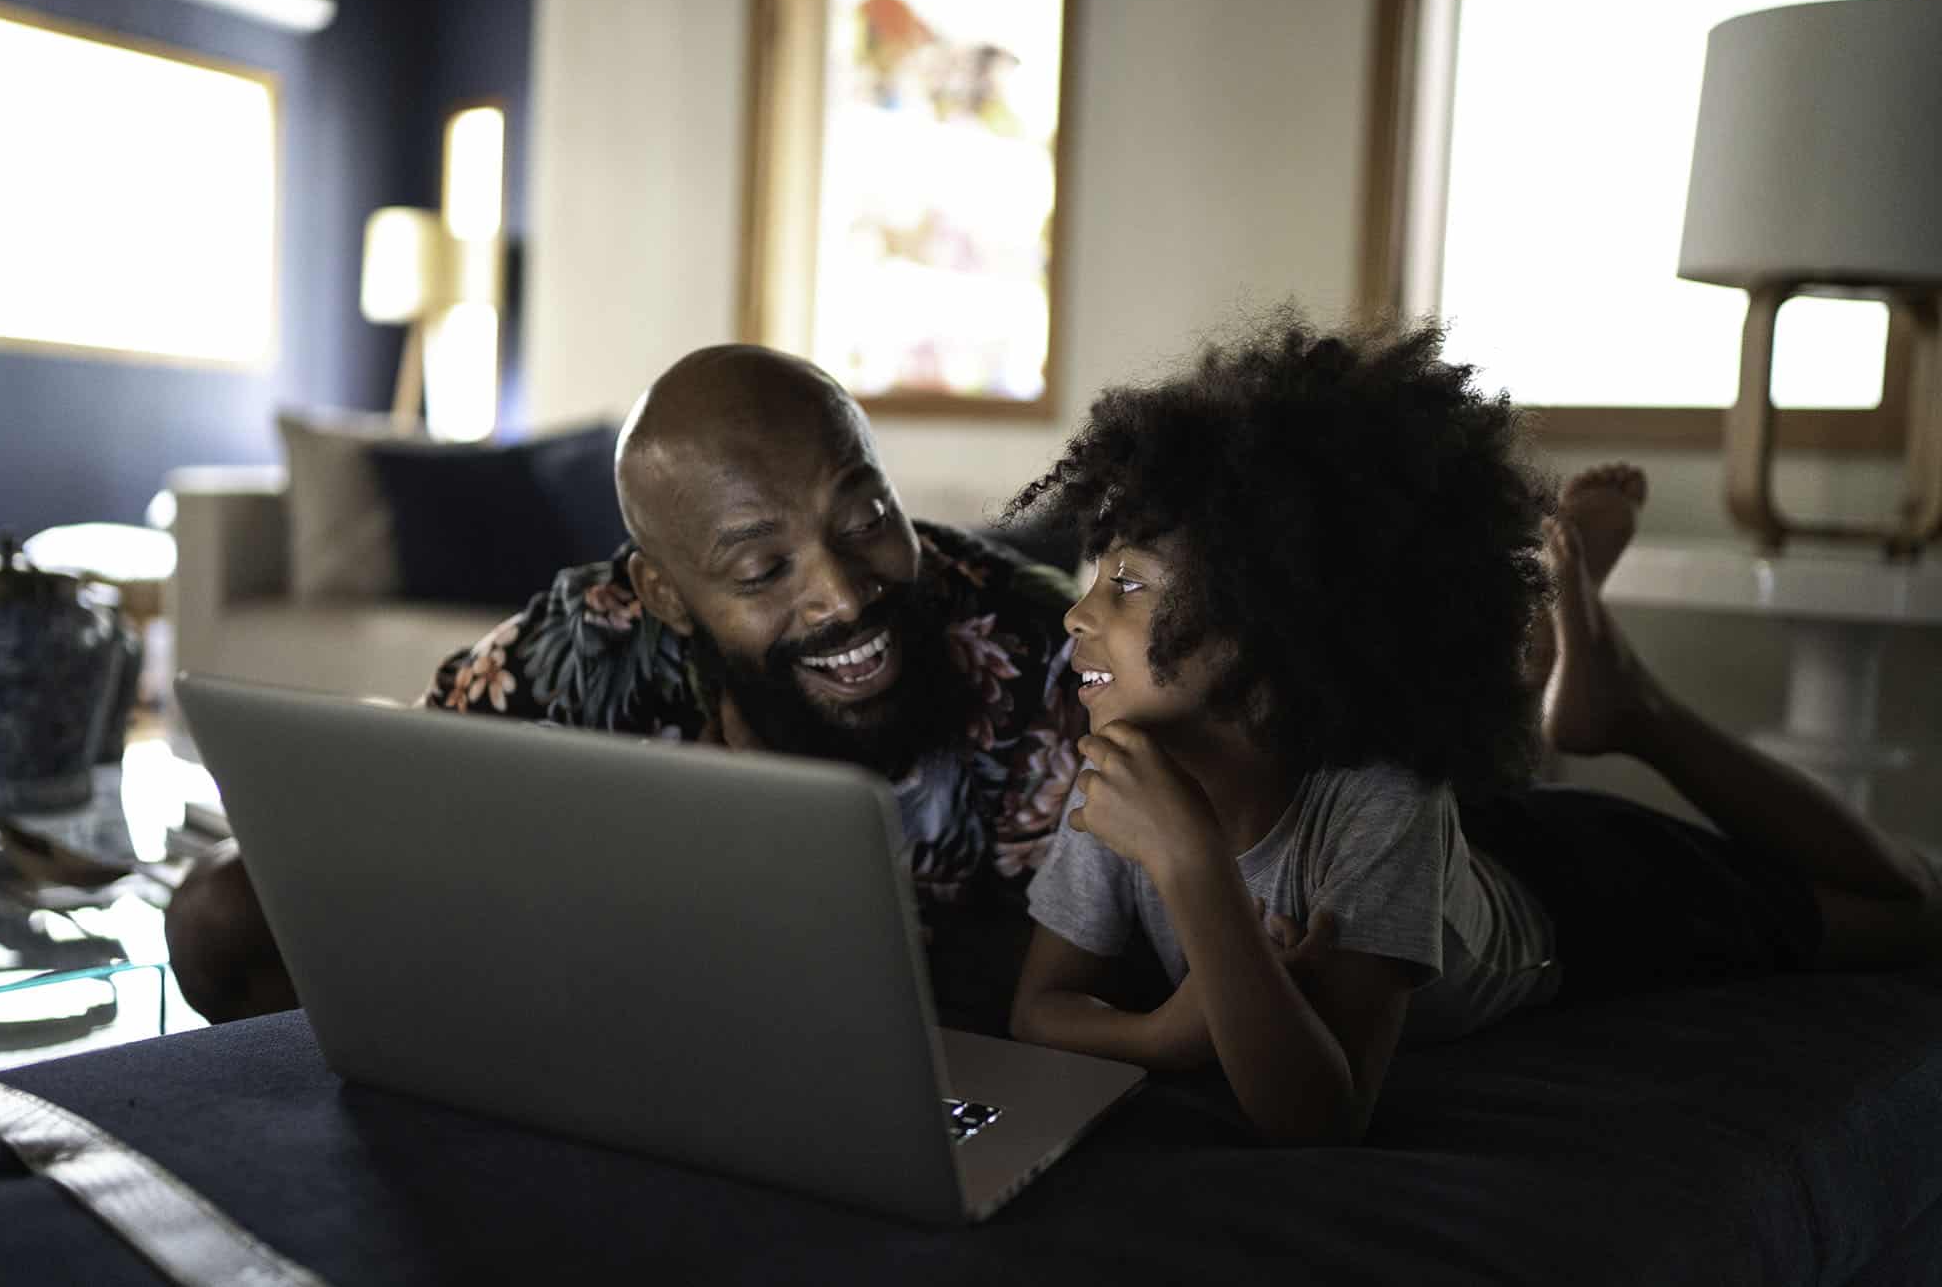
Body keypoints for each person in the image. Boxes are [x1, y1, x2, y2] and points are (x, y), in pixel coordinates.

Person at [1004, 313, 1941, 1146]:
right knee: (1465, 784)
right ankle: (1557, 678)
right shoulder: (1121, 781)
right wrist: (1166, 1033)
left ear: (1272, 621)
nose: (1077, 616)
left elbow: (1319, 1115)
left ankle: (1633, 709)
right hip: (1450, 857)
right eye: (1094, 580)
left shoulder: (1375, 803)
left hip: (1581, 898)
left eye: (1125, 585)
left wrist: (1192, 869)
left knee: (1908, 910)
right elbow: (1039, 1009)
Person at [171, 345, 1092, 1027]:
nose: (844, 594)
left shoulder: (1041, 647)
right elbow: (396, 800)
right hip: (616, 1031)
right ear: (665, 594)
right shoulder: (594, 636)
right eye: (765, 569)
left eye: (866, 518)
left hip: (930, 1054)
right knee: (224, 915)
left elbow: (1096, 974)